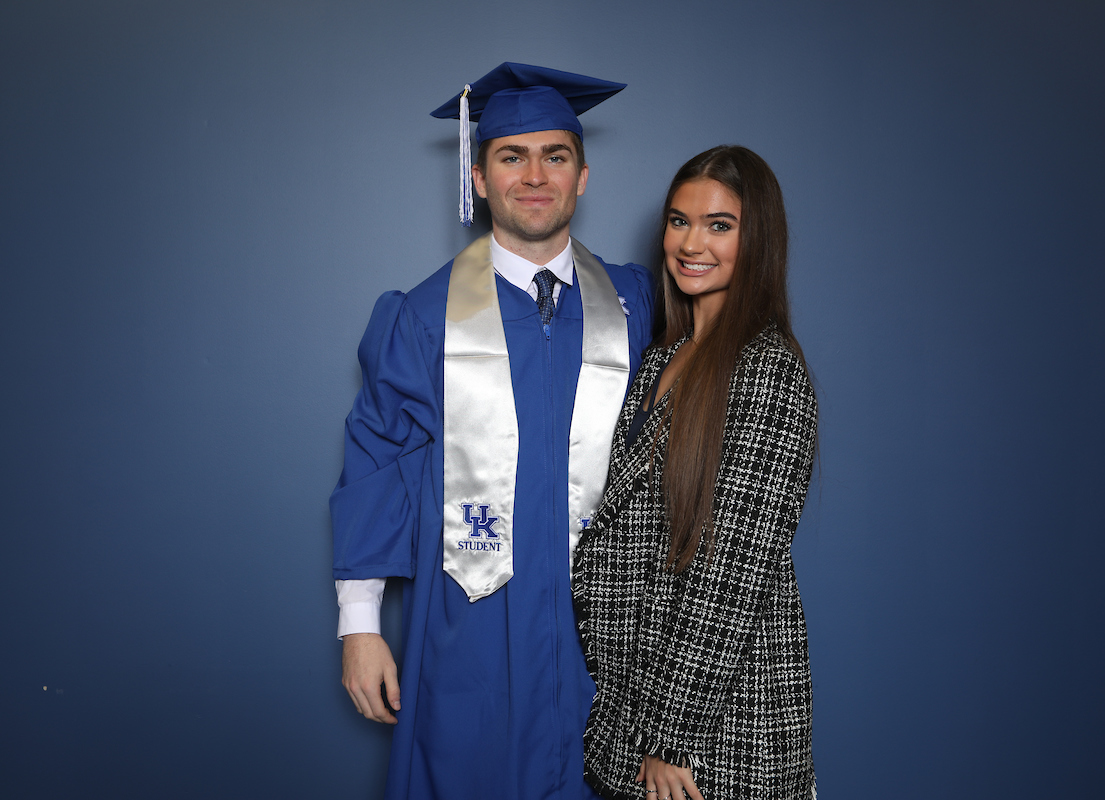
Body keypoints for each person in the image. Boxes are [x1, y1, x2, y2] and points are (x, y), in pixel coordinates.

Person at [330, 63, 654, 800]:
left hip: (609, 634)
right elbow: (377, 457)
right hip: (471, 629)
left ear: (582, 176)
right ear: (479, 177)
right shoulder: (420, 317)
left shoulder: (634, 306)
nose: (534, 175)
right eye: (512, 156)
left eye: (555, 156)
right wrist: (360, 625)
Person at [572, 145, 818, 800]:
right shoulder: (664, 359)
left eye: (719, 225)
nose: (691, 243)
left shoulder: (767, 370)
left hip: (717, 736)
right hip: (632, 715)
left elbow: (728, 573)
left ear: (757, 237)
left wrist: (669, 739)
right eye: (679, 221)